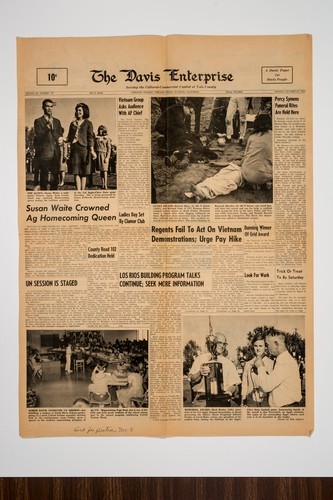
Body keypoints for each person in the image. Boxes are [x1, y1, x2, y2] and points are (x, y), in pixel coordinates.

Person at [188, 113, 273, 201]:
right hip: (263, 176)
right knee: (230, 180)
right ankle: (202, 191)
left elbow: (245, 158)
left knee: (227, 177)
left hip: (247, 173)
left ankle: (204, 190)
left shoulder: (252, 137)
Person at [189, 332, 240, 406]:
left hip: (222, 399)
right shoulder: (200, 359)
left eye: (224, 344)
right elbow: (191, 378)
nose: (222, 346)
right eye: (219, 342)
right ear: (213, 342)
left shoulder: (229, 363)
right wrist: (200, 373)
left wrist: (230, 391)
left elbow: (235, 385)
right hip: (202, 400)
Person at [254, 330, 302, 407]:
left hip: (285, 409)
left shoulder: (284, 362)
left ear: (276, 344)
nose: (266, 348)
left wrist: (260, 367)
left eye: (267, 344)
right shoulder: (283, 360)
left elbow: (267, 386)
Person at [33, 99, 64, 190]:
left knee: (55, 179)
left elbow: (59, 135)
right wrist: (46, 128)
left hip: (56, 153)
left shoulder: (57, 121)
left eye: (51, 106)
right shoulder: (38, 121)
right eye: (47, 106)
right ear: (43, 107)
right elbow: (38, 137)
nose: (49, 108)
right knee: (44, 179)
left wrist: (61, 139)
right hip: (44, 154)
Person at [67, 103, 97, 190]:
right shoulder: (72, 124)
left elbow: (90, 137)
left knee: (84, 172)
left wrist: (91, 150)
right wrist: (63, 139)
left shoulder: (88, 123)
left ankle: (82, 192)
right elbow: (69, 137)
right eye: (76, 110)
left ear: (84, 112)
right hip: (75, 149)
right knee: (76, 172)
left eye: (80, 110)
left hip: (84, 149)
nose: (78, 112)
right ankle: (78, 191)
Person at [241, 332, 274, 407]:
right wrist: (243, 401)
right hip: (251, 401)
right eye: (256, 346)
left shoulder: (271, 363)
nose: (258, 348)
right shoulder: (248, 364)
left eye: (260, 346)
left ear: (265, 347)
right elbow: (244, 384)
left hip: (266, 401)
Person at [94, 125, 111, 189]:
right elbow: (95, 146)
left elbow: (109, 148)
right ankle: (103, 184)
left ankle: (106, 184)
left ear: (104, 131)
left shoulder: (107, 138)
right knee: (101, 170)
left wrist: (107, 157)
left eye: (101, 130)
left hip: (104, 155)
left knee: (105, 170)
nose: (100, 131)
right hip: (98, 155)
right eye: (99, 130)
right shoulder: (96, 138)